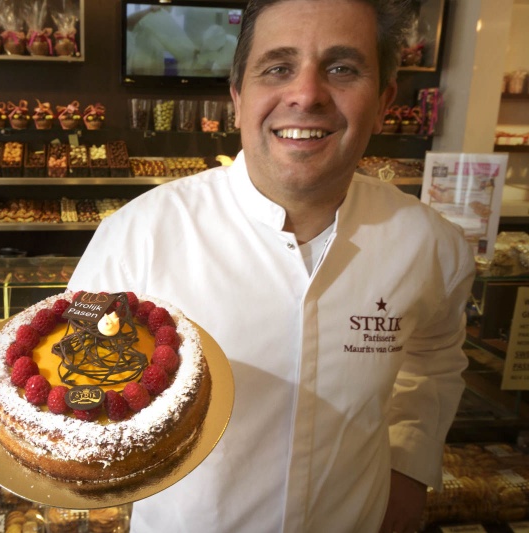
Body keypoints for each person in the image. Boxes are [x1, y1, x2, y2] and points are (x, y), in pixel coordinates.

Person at [69, 0, 475, 531]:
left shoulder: (430, 245)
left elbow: (432, 362)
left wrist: (408, 471)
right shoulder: (137, 235)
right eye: (278, 68)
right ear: (238, 99)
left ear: (383, 103)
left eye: (342, 68)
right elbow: (72, 382)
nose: (306, 94)